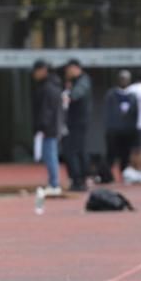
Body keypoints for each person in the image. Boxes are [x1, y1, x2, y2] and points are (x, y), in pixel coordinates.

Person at [31, 60, 64, 193]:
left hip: (49, 127)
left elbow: (47, 110)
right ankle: (53, 183)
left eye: (36, 71)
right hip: (52, 126)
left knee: (50, 155)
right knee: (50, 155)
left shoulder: (48, 88)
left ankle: (54, 184)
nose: (34, 74)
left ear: (43, 70)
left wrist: (42, 126)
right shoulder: (53, 85)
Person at [104, 70, 139, 183]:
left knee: (126, 154)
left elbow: (135, 113)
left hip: (128, 130)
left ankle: (124, 175)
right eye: (122, 78)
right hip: (114, 129)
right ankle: (106, 176)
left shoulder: (133, 95)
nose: (124, 81)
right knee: (111, 154)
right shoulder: (111, 94)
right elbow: (108, 112)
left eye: (126, 78)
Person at [62, 59, 91, 191]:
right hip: (74, 121)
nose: (67, 73)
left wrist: (70, 94)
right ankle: (78, 178)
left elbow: (77, 94)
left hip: (78, 121)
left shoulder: (83, 81)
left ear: (75, 68)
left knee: (74, 150)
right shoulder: (75, 82)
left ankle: (79, 179)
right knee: (76, 150)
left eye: (68, 70)